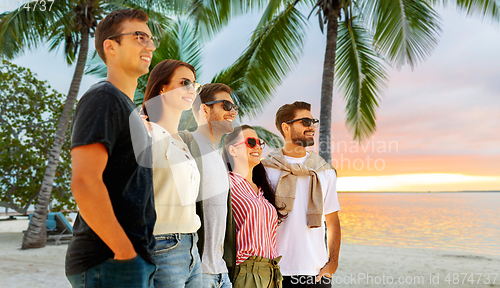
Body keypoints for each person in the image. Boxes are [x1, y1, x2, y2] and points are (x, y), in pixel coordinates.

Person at [65, 9, 158, 288]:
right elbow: (84, 182)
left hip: (130, 259)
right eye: (140, 37)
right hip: (110, 260)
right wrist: (124, 252)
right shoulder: (103, 97)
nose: (150, 46)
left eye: (151, 39)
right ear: (111, 46)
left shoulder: (127, 107)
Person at [261, 101, 341, 288]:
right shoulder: (264, 169)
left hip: (316, 272)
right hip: (274, 270)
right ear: (286, 127)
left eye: (313, 121)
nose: (312, 126)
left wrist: (333, 262)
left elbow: (332, 219)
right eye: (305, 122)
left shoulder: (324, 171)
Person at [141, 59, 202, 287]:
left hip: (192, 246)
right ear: (162, 87)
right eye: (184, 82)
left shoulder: (182, 142)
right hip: (162, 244)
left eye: (194, 84)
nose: (191, 89)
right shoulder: (147, 132)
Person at [178, 83, 238, 288]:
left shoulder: (218, 156)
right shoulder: (184, 142)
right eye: (226, 106)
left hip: (221, 272)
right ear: (205, 109)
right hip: (197, 273)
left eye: (234, 107)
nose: (234, 111)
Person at [222, 125, 287, 288]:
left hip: (273, 272)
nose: (257, 146)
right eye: (251, 142)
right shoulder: (226, 184)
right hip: (246, 272)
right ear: (233, 150)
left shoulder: (262, 190)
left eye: (260, 142)